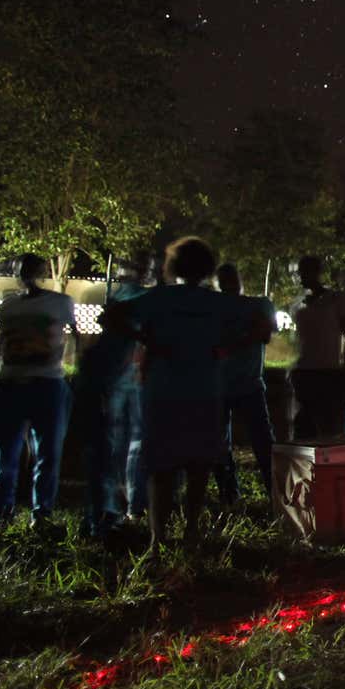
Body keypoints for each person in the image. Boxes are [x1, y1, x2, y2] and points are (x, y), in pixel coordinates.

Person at [126, 237, 233, 553]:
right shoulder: (215, 302)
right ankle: (191, 530)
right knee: (198, 464)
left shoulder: (158, 298)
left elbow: (113, 317)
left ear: (173, 265)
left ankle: (158, 538)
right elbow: (255, 322)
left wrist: (147, 340)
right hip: (204, 391)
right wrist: (224, 347)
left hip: (164, 393)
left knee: (162, 466)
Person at [0, 253, 78, 530]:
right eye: (22, 270)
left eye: (33, 270)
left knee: (47, 453)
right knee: (6, 453)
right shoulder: (7, 307)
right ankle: (1, 514)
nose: (27, 275)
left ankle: (41, 514)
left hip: (48, 383)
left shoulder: (61, 302)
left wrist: (72, 366)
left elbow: (74, 337)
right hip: (10, 383)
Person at [72, 297, 136, 538]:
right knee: (104, 466)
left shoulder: (104, 345)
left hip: (104, 413)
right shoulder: (116, 345)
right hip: (105, 413)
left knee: (102, 467)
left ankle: (98, 517)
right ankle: (101, 520)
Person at [214, 264, 277, 502]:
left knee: (258, 440)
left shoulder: (254, 304)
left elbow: (265, 333)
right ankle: (232, 492)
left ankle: (239, 492)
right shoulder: (256, 306)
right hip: (235, 384)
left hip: (243, 384)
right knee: (231, 441)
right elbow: (263, 332)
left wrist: (229, 345)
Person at [108, 253, 155, 519]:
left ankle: (115, 502)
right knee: (138, 440)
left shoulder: (116, 298)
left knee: (118, 440)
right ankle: (135, 504)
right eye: (147, 266)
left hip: (117, 377)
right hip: (137, 377)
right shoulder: (146, 299)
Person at [290, 256, 345, 441]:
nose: (300, 276)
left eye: (304, 272)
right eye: (299, 272)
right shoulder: (298, 304)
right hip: (304, 371)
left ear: (316, 272)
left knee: (330, 425)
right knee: (304, 426)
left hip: (329, 371)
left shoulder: (336, 299)